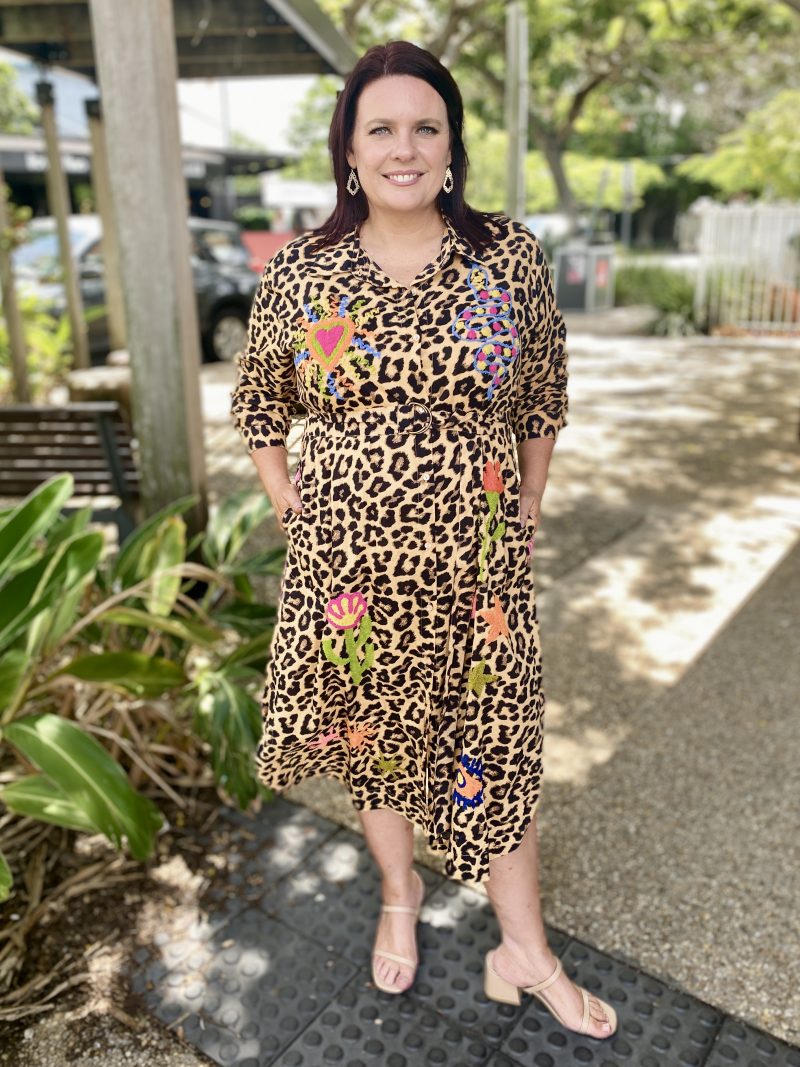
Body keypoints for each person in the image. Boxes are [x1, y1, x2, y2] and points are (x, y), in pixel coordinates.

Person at [230, 40, 616, 1040]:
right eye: (381, 129)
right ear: (349, 150)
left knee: (499, 740)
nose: (404, 147)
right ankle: (398, 892)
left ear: (450, 146)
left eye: (424, 127)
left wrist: (529, 501)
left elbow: (541, 393)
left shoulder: (508, 257)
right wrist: (291, 508)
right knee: (377, 739)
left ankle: (521, 946)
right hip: (350, 569)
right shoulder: (302, 272)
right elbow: (259, 404)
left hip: (479, 566)